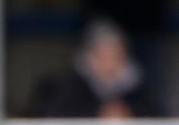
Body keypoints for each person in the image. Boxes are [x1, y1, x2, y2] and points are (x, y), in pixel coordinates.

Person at [26, 20, 160, 118]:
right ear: (90, 57)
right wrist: (98, 113)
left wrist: (128, 113)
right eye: (104, 56)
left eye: (116, 55)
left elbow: (156, 117)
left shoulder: (136, 87)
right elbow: (51, 115)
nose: (110, 63)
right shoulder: (67, 85)